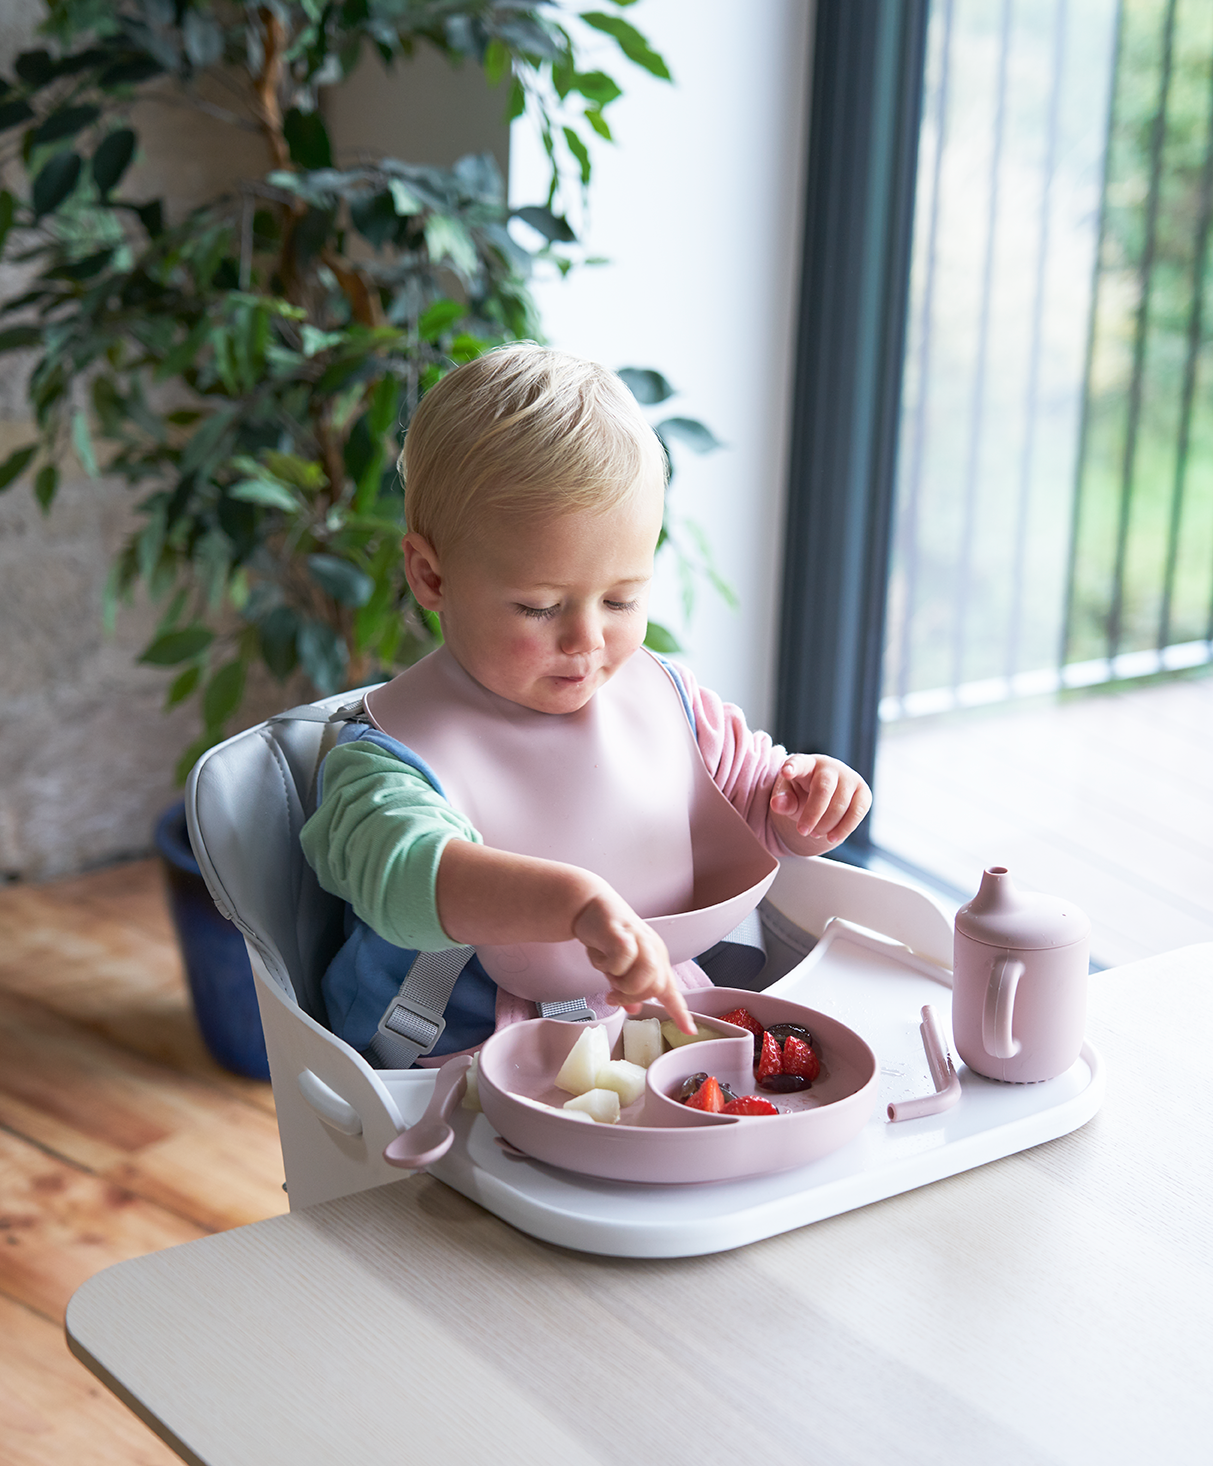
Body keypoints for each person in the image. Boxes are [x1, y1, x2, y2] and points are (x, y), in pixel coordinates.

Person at [300, 343, 871, 1065]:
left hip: (642, 1026)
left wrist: (807, 801)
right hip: (442, 1058)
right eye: (539, 607)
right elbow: (406, 875)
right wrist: (572, 905)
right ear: (431, 576)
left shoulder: (667, 702)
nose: (586, 639)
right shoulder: (387, 759)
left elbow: (749, 808)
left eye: (621, 599)